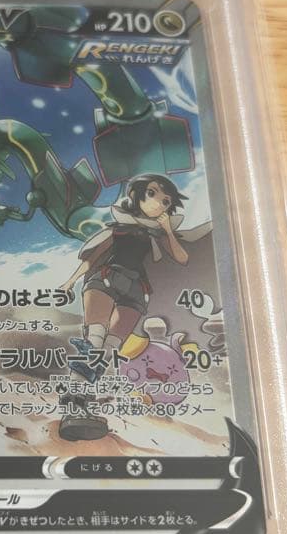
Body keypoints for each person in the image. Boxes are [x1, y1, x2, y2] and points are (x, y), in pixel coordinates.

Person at [56, 173, 210, 440]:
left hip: (136, 290)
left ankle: (82, 403)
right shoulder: (118, 228)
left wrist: (168, 230)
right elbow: (92, 258)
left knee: (110, 349)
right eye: (152, 194)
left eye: (166, 201)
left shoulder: (158, 234)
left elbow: (181, 257)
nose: (159, 203)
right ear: (135, 195)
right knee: (94, 340)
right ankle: (74, 403)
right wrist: (69, 282)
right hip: (106, 278)